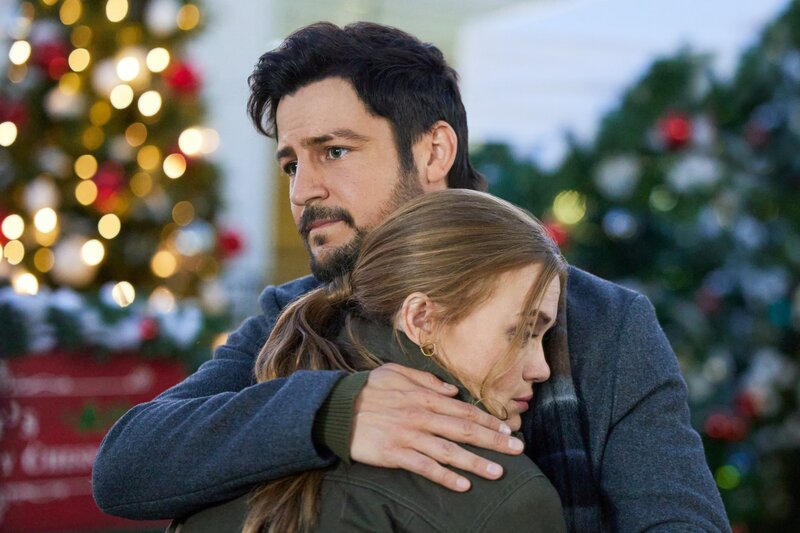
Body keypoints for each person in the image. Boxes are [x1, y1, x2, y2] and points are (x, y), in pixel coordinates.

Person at [93, 21, 730, 532]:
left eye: (334, 151)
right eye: (291, 164)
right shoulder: (295, 315)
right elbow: (127, 466)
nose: (304, 189)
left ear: (433, 152)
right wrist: (333, 412)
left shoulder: (602, 322)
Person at [170, 189, 570, 532]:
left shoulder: (219, 462)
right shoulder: (507, 499)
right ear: (421, 319)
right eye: (521, 332)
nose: (542, 368)